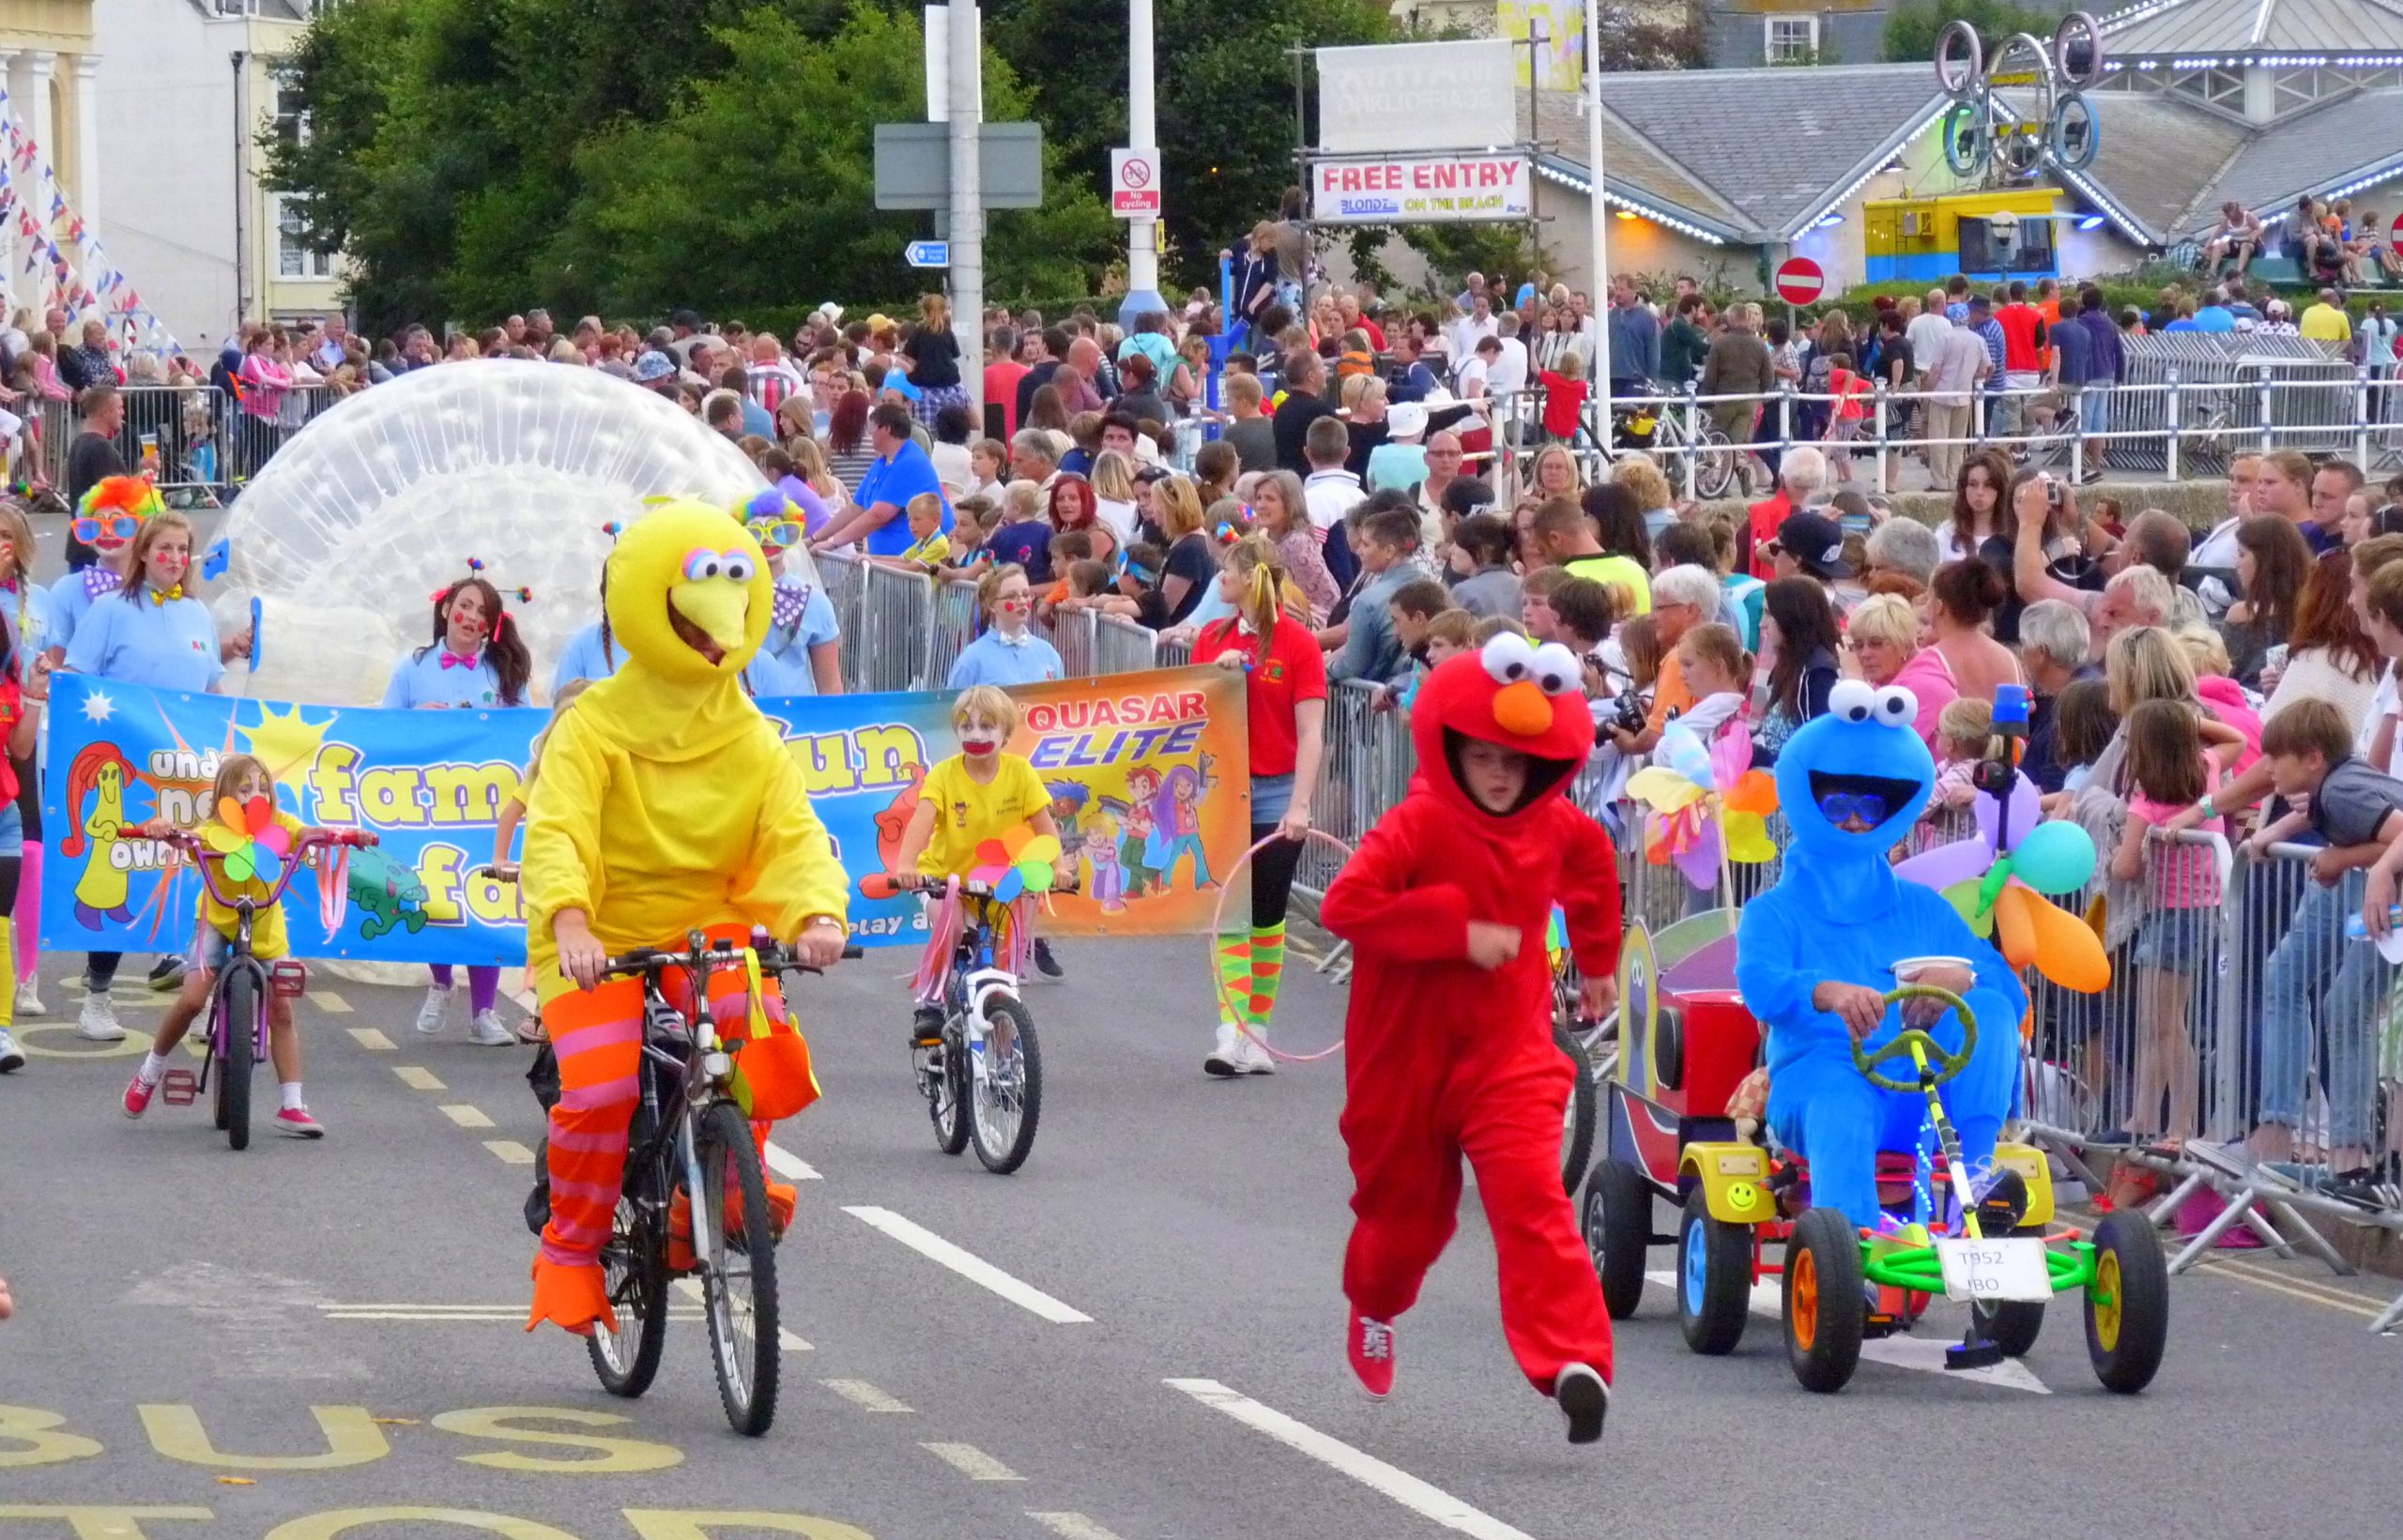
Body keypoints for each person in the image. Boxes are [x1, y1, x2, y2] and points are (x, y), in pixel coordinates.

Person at [521, 502, 849, 1334]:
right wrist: (569, 922)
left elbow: (792, 832)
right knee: (598, 1092)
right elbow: (556, 829)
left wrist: (816, 910)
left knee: (758, 1036)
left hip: (711, 926)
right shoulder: (591, 725)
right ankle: (572, 1250)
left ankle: (719, 1184)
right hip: (602, 935)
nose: (715, 635)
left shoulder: (750, 734)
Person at [1321, 633, 1620, 1442]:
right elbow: (1345, 906)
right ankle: (1376, 1306)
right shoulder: (1416, 823)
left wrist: (1598, 962)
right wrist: (1457, 929)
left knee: (1533, 1196)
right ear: (1453, 746)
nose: (1498, 774)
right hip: (1403, 1053)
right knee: (1406, 1221)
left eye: (1514, 763)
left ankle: (1572, 1362)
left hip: (1508, 1053)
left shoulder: (1557, 826)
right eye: (1483, 756)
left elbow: (1595, 875)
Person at [1736, 680, 2028, 1240]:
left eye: (1869, 806)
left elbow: (2007, 988)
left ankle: (1979, 1175)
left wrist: (1959, 977)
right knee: (1840, 1102)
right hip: (1823, 1076)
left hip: (1918, 1090)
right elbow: (1760, 982)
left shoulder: (1923, 908)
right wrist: (1827, 992)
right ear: (1810, 801)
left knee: (1989, 1006)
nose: (1853, 820)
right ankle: (1852, 1253)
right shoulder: (1773, 911)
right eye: (1837, 803)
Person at [118, 753, 341, 1131]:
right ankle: (149, 1073)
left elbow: (306, 834)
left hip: (266, 925)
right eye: (244, 788)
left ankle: (292, 1104)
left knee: (282, 1011)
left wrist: (334, 835)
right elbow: (181, 837)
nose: (256, 795)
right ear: (224, 793)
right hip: (217, 922)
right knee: (191, 1000)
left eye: (263, 787)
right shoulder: (211, 832)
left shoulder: (280, 824)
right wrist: (160, 827)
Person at [1190, 537, 1325, 1075]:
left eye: (1226, 571)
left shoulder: (1298, 644)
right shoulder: (1210, 637)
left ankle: (1258, 1034)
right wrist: (1215, 681)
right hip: (1222, 788)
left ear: (1250, 578)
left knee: (1268, 915)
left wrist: (1301, 804)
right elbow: (1189, 715)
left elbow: (1312, 730)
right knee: (1229, 916)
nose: (1219, 579)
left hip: (1275, 789)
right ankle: (1232, 1032)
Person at [384, 572, 534, 1046]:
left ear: (491, 626)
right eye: (465, 606)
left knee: (485, 898)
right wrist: (415, 721)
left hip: (484, 807)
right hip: (427, 804)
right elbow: (379, 730)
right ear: (446, 609)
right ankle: (441, 981)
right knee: (434, 893)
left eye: (482, 614)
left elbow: (526, 733)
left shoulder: (503, 672)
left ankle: (484, 1012)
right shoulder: (412, 667)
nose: (471, 618)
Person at [890, 684, 1065, 1039]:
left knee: (1004, 964)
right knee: (951, 929)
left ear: (1006, 735)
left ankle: (1005, 1053)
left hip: (1001, 882)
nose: (976, 734)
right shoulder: (944, 774)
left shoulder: (1020, 773)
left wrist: (1059, 869)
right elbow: (921, 824)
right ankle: (932, 1001)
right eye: (966, 726)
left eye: (987, 727)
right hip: (945, 879)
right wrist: (907, 866)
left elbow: (1045, 828)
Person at [2107, 698, 2224, 1146]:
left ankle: (2179, 1125)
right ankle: (2144, 1117)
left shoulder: (2148, 800)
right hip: (2200, 908)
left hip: (2173, 913)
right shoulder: (2206, 768)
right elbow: (2228, 741)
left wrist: (2126, 849)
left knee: (2166, 1021)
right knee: (2160, 1020)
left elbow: (2124, 866)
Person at [814, 404, 954, 557]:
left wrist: (833, 542)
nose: (869, 433)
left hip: (912, 564)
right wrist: (816, 537)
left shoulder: (909, 462)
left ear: (886, 429)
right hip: (890, 562)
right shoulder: (882, 462)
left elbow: (878, 516)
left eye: (872, 428)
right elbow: (855, 507)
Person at [1326, 507, 1424, 683]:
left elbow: (1353, 664)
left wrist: (1323, 670)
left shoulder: (1369, 599)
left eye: (1366, 544)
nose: (1359, 551)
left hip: (1379, 697)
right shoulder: (1429, 584)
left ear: (1389, 551)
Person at [2217, 515, 2312, 689]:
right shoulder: (2311, 610)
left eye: (2242, 554)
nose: (2237, 563)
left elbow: (2222, 673)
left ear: (2265, 560)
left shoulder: (2241, 614)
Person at [1754, 576, 1841, 764]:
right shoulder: (1789, 665)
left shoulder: (1818, 674)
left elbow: (1818, 756)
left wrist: (1757, 756)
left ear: (1793, 616)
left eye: (1769, 613)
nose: (1762, 623)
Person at [947, 564, 1064, 688]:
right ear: (991, 605)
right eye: (1011, 596)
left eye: (1026, 594)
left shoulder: (1048, 652)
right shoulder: (972, 659)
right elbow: (950, 704)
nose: (1022, 602)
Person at [1533, 496, 1647, 616]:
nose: (1545, 559)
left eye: (1542, 550)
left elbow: (1539, 633)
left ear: (1554, 539)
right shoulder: (1638, 572)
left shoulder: (1560, 582)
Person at [62, 386, 127, 571]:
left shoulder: (80, 442)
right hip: (99, 550)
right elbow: (117, 497)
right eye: (119, 407)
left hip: (82, 543)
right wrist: (145, 478)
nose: (123, 412)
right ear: (105, 412)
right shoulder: (100, 448)